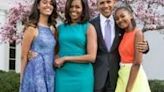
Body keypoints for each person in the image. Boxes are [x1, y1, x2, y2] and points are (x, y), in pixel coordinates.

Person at [89, 0, 149, 92]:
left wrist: (146, 47)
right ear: (97, 5)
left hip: (117, 74)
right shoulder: (91, 25)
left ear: (114, 3)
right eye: (101, 3)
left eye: (108, 2)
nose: (106, 5)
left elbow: (132, 37)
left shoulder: (121, 23)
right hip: (98, 74)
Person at [54, 0, 97, 92]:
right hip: (62, 74)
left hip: (82, 76)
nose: (74, 9)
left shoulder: (89, 28)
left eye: (77, 7)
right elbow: (54, 50)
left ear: (83, 9)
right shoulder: (60, 28)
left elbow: (92, 57)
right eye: (71, 6)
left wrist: (65, 58)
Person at [20, 0, 57, 91]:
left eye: (51, 3)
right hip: (35, 74)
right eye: (44, 2)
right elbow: (23, 57)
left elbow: (55, 51)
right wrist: (22, 81)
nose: (48, 5)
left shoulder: (53, 30)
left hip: (50, 74)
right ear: (38, 6)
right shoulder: (32, 29)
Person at [114, 6, 151, 92]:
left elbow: (137, 63)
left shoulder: (138, 33)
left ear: (130, 16)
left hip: (134, 76)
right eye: (117, 19)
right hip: (122, 74)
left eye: (123, 16)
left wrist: (128, 89)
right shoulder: (122, 34)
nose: (120, 20)